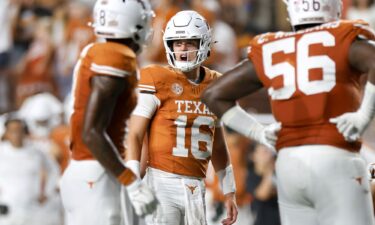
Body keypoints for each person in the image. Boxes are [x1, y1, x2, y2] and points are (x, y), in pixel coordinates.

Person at [202, 0, 375, 224]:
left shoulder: (272, 46)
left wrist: (258, 132)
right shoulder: (343, 38)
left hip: (289, 165)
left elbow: (213, 94)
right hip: (335, 157)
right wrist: (364, 115)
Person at [126, 10, 238, 225]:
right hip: (161, 182)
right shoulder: (157, 78)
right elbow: (135, 133)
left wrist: (229, 190)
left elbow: (218, 144)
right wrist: (132, 178)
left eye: (189, 42)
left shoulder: (215, 84)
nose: (183, 49)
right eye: (178, 43)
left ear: (204, 44)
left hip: (197, 185)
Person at [59, 1, 157, 225]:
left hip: (93, 173)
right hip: (97, 173)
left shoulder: (99, 51)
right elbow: (91, 132)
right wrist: (129, 181)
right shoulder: (115, 55)